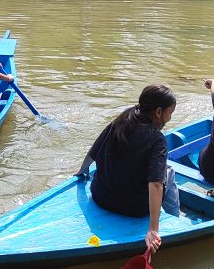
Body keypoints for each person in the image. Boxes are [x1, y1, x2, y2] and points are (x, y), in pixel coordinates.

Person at [75, 85, 178, 254]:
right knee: (169, 172)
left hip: (100, 197)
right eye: (170, 113)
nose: (170, 118)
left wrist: (82, 170)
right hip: (134, 209)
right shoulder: (157, 139)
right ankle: (175, 220)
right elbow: (156, 185)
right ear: (159, 112)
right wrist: (153, 229)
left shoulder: (121, 120)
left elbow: (95, 150)